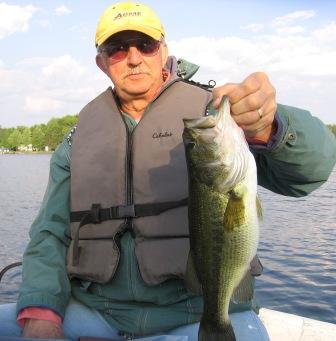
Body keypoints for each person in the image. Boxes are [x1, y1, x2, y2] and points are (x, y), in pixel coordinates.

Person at [0, 1, 335, 340]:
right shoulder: (79, 136)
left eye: (145, 45)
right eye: (116, 49)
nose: (133, 58)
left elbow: (310, 171)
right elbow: (49, 232)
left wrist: (271, 127)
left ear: (163, 50)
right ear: (101, 63)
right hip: (96, 309)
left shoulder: (215, 115)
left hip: (194, 310)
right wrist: (41, 311)